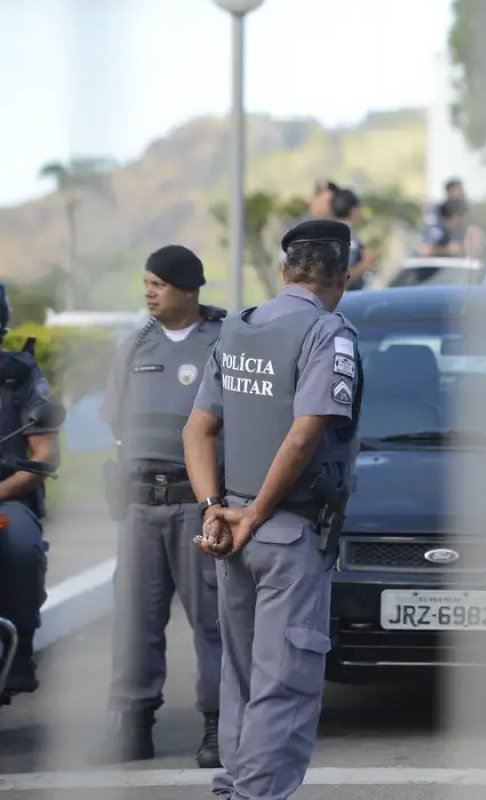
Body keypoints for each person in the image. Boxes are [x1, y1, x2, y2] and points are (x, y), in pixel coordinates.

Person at [183, 219, 363, 800]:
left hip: (229, 531)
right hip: (284, 530)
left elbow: (198, 428)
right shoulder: (327, 332)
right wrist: (258, 510)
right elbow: (307, 430)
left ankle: (235, 783)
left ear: (285, 272)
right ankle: (257, 794)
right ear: (341, 276)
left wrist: (216, 508)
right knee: (285, 678)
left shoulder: (238, 328)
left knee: (241, 675)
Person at [88, 246, 226, 767]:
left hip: (198, 504)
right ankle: (133, 726)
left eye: (159, 284)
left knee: (212, 621)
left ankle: (217, 728)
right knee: (134, 620)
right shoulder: (134, 345)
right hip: (141, 504)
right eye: (145, 282)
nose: (149, 292)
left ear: (188, 289)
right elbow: (117, 423)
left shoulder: (223, 342)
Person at [0, 285, 59, 706]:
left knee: (21, 545)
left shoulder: (19, 375)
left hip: (7, 495)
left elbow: (45, 454)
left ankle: (20, 652)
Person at [332, 188, 374, 291]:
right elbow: (338, 281)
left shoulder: (329, 233)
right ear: (353, 210)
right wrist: (364, 264)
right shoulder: (347, 239)